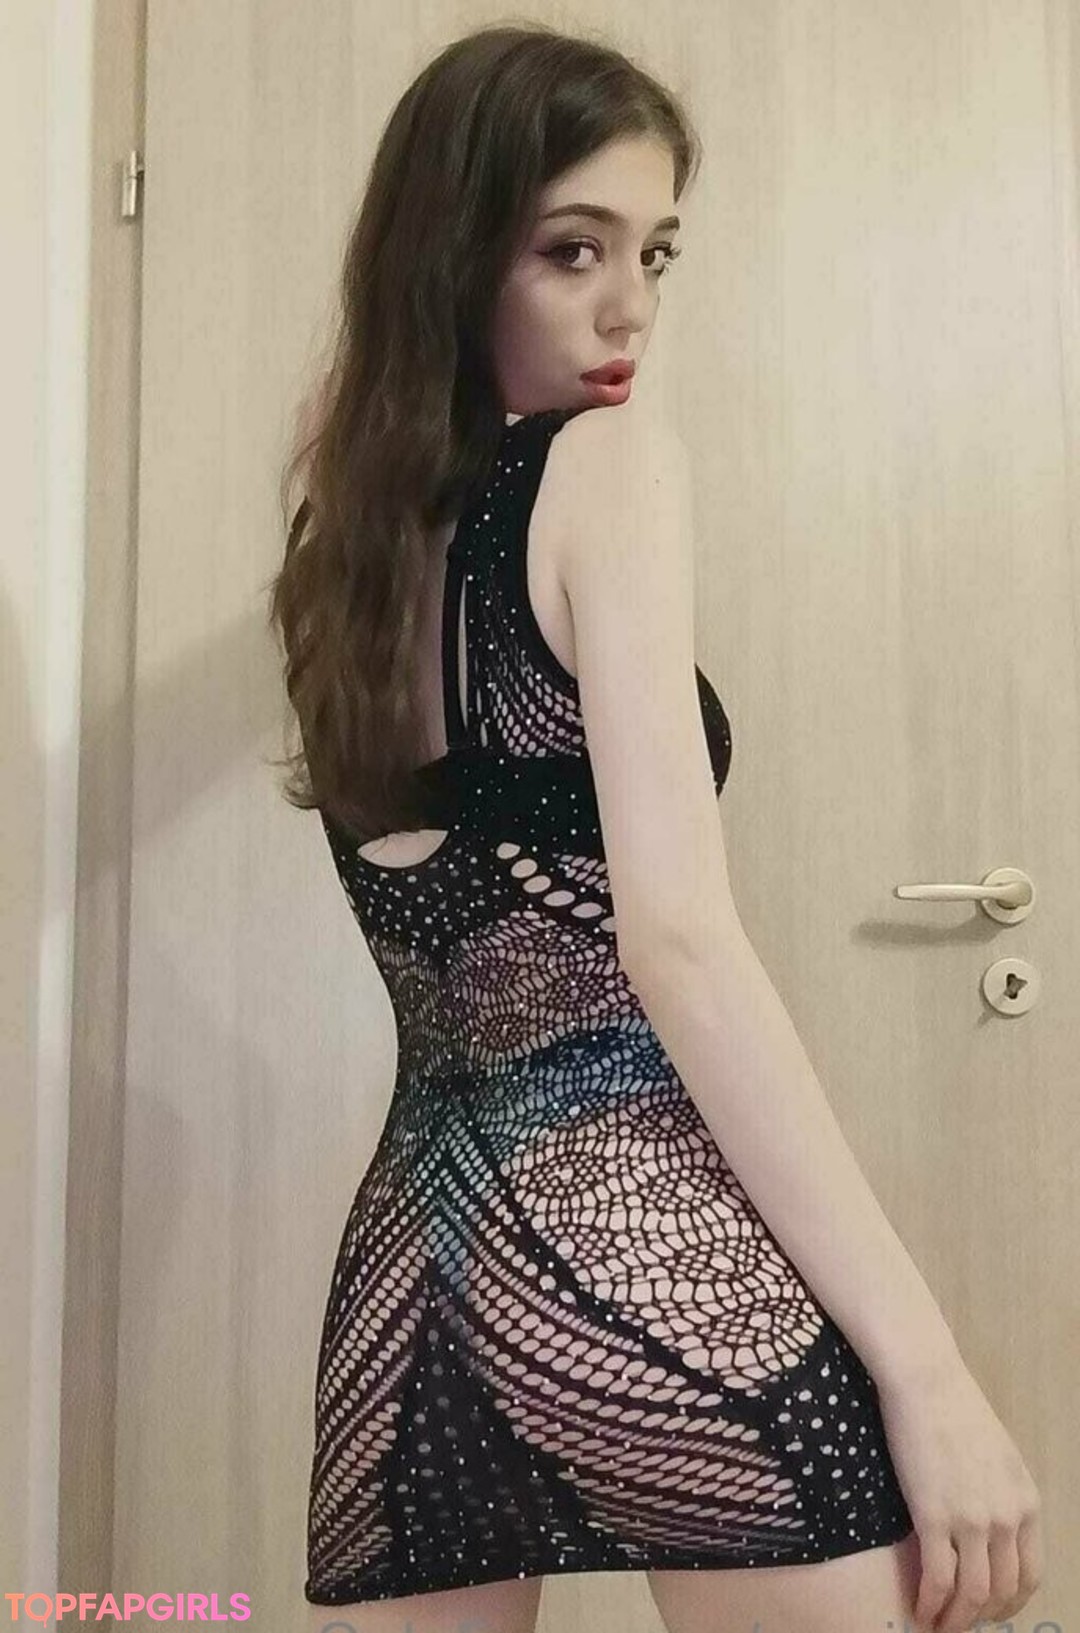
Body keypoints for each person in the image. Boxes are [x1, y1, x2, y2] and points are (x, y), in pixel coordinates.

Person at [266, 22, 1043, 1633]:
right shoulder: (610, 467)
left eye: (656, 253)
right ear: (454, 253)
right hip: (653, 1252)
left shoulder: (346, 543)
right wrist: (929, 1368)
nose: (631, 308)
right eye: (574, 250)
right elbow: (676, 942)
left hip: (414, 1294)